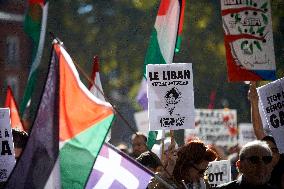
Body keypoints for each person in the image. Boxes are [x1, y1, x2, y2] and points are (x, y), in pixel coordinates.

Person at [148, 139, 217, 189]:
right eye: (200, 171)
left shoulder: (204, 184)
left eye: (205, 170)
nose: (202, 175)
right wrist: (170, 168)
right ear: (187, 165)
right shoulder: (162, 177)